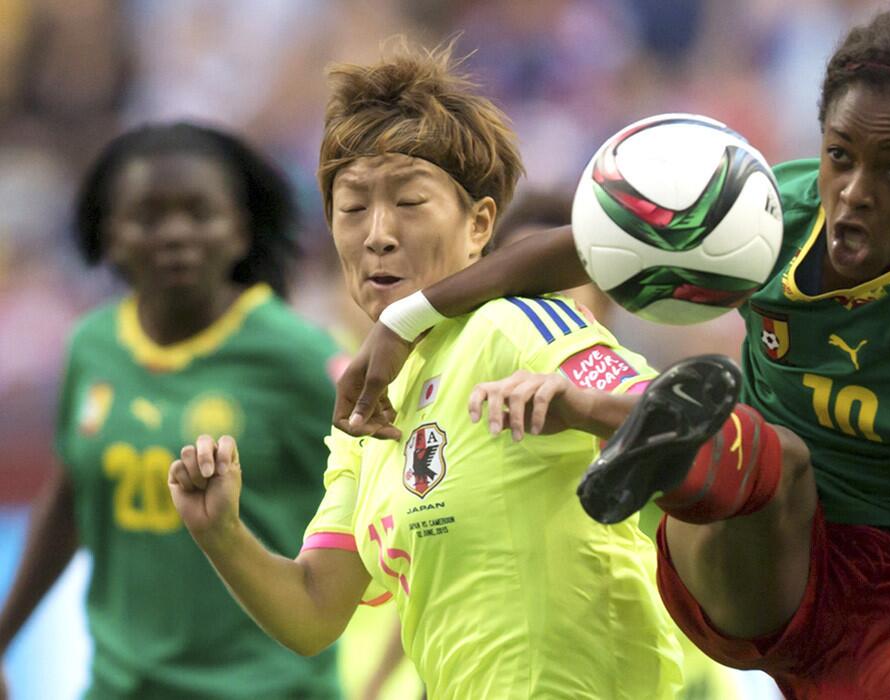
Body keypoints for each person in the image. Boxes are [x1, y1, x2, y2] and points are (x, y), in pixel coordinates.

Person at [332, 6, 890, 699]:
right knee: (777, 454)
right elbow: (592, 242)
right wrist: (407, 316)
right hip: (749, 542)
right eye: (841, 155)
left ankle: (618, 418)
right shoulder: (778, 206)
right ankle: (639, 432)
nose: (854, 191)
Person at [167, 45, 683, 699]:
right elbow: (314, 609)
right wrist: (222, 533)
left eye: (409, 202)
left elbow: (681, 420)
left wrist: (578, 407)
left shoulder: (518, 328)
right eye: (352, 208)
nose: (377, 233)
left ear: (480, 224)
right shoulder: (364, 415)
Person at [0, 123, 343, 698]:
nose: (175, 233)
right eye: (148, 216)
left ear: (239, 230)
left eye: (199, 212)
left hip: (266, 689)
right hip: (119, 685)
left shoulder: (302, 359)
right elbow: (70, 500)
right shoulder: (93, 346)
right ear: (110, 237)